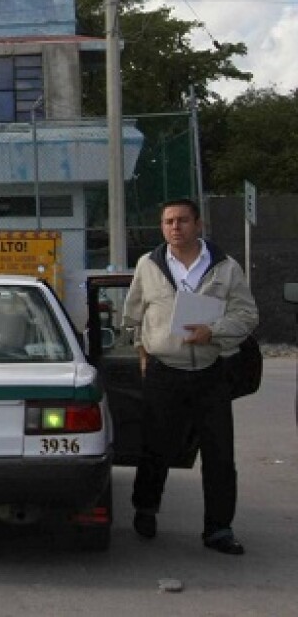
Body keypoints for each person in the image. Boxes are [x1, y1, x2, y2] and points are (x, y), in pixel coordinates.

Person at [122, 198, 258, 555]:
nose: (174, 227)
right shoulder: (148, 265)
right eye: (168, 221)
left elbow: (246, 316)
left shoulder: (225, 268)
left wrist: (212, 331)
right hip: (163, 372)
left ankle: (219, 529)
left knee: (220, 456)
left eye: (182, 220)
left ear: (198, 224)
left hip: (210, 373)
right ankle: (146, 509)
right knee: (155, 449)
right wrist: (142, 351)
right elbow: (133, 315)